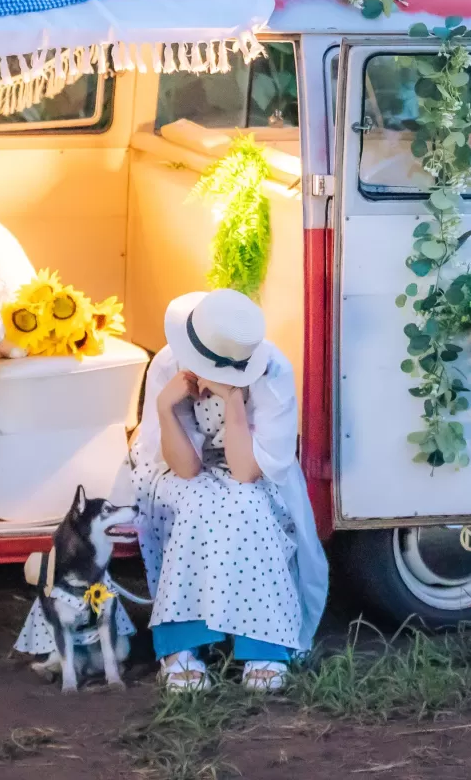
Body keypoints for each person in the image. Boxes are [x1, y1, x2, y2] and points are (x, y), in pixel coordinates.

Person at [129, 289, 327, 691]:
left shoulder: (272, 372)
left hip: (251, 467)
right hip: (179, 468)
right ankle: (183, 643)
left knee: (248, 505)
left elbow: (246, 472)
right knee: (196, 504)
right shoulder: (168, 364)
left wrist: (234, 400)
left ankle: (263, 642)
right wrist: (166, 408)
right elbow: (185, 469)